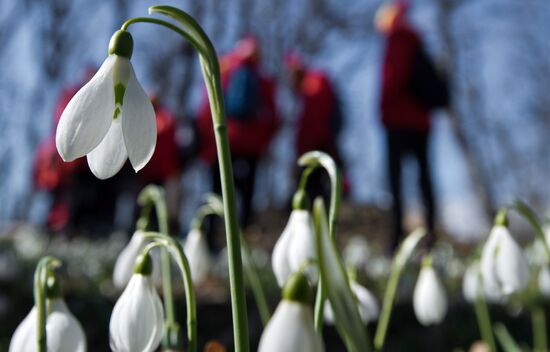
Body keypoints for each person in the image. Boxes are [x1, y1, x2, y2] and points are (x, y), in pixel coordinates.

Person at [376, 0, 444, 251]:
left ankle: (397, 239)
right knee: (425, 179)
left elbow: (393, 79)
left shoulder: (397, 40)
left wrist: (383, 110)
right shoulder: (416, 40)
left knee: (396, 182)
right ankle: (430, 235)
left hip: (397, 121)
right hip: (421, 123)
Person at [197, 36, 280, 235]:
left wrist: (207, 142)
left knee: (216, 192)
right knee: (246, 193)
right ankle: (243, 238)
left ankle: (209, 237)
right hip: (251, 147)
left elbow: (206, 109)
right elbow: (275, 117)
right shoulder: (263, 79)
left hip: (224, 142)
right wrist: (264, 142)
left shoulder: (224, 70)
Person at [285, 54, 347, 203]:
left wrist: (305, 150)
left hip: (318, 145)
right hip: (318, 144)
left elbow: (314, 122)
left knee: (315, 186)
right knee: (316, 187)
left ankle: (322, 216)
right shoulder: (307, 88)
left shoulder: (312, 84)